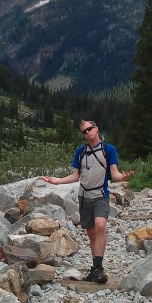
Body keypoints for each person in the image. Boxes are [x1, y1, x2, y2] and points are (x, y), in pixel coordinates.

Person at [41, 119, 133, 283]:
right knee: (91, 233)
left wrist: (122, 177)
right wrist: (56, 181)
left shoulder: (108, 149)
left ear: (96, 129)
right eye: (84, 131)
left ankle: (97, 268)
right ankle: (96, 269)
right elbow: (75, 175)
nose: (87, 132)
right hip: (84, 196)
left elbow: (115, 173)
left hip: (100, 194)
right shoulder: (81, 151)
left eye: (89, 129)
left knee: (100, 226)